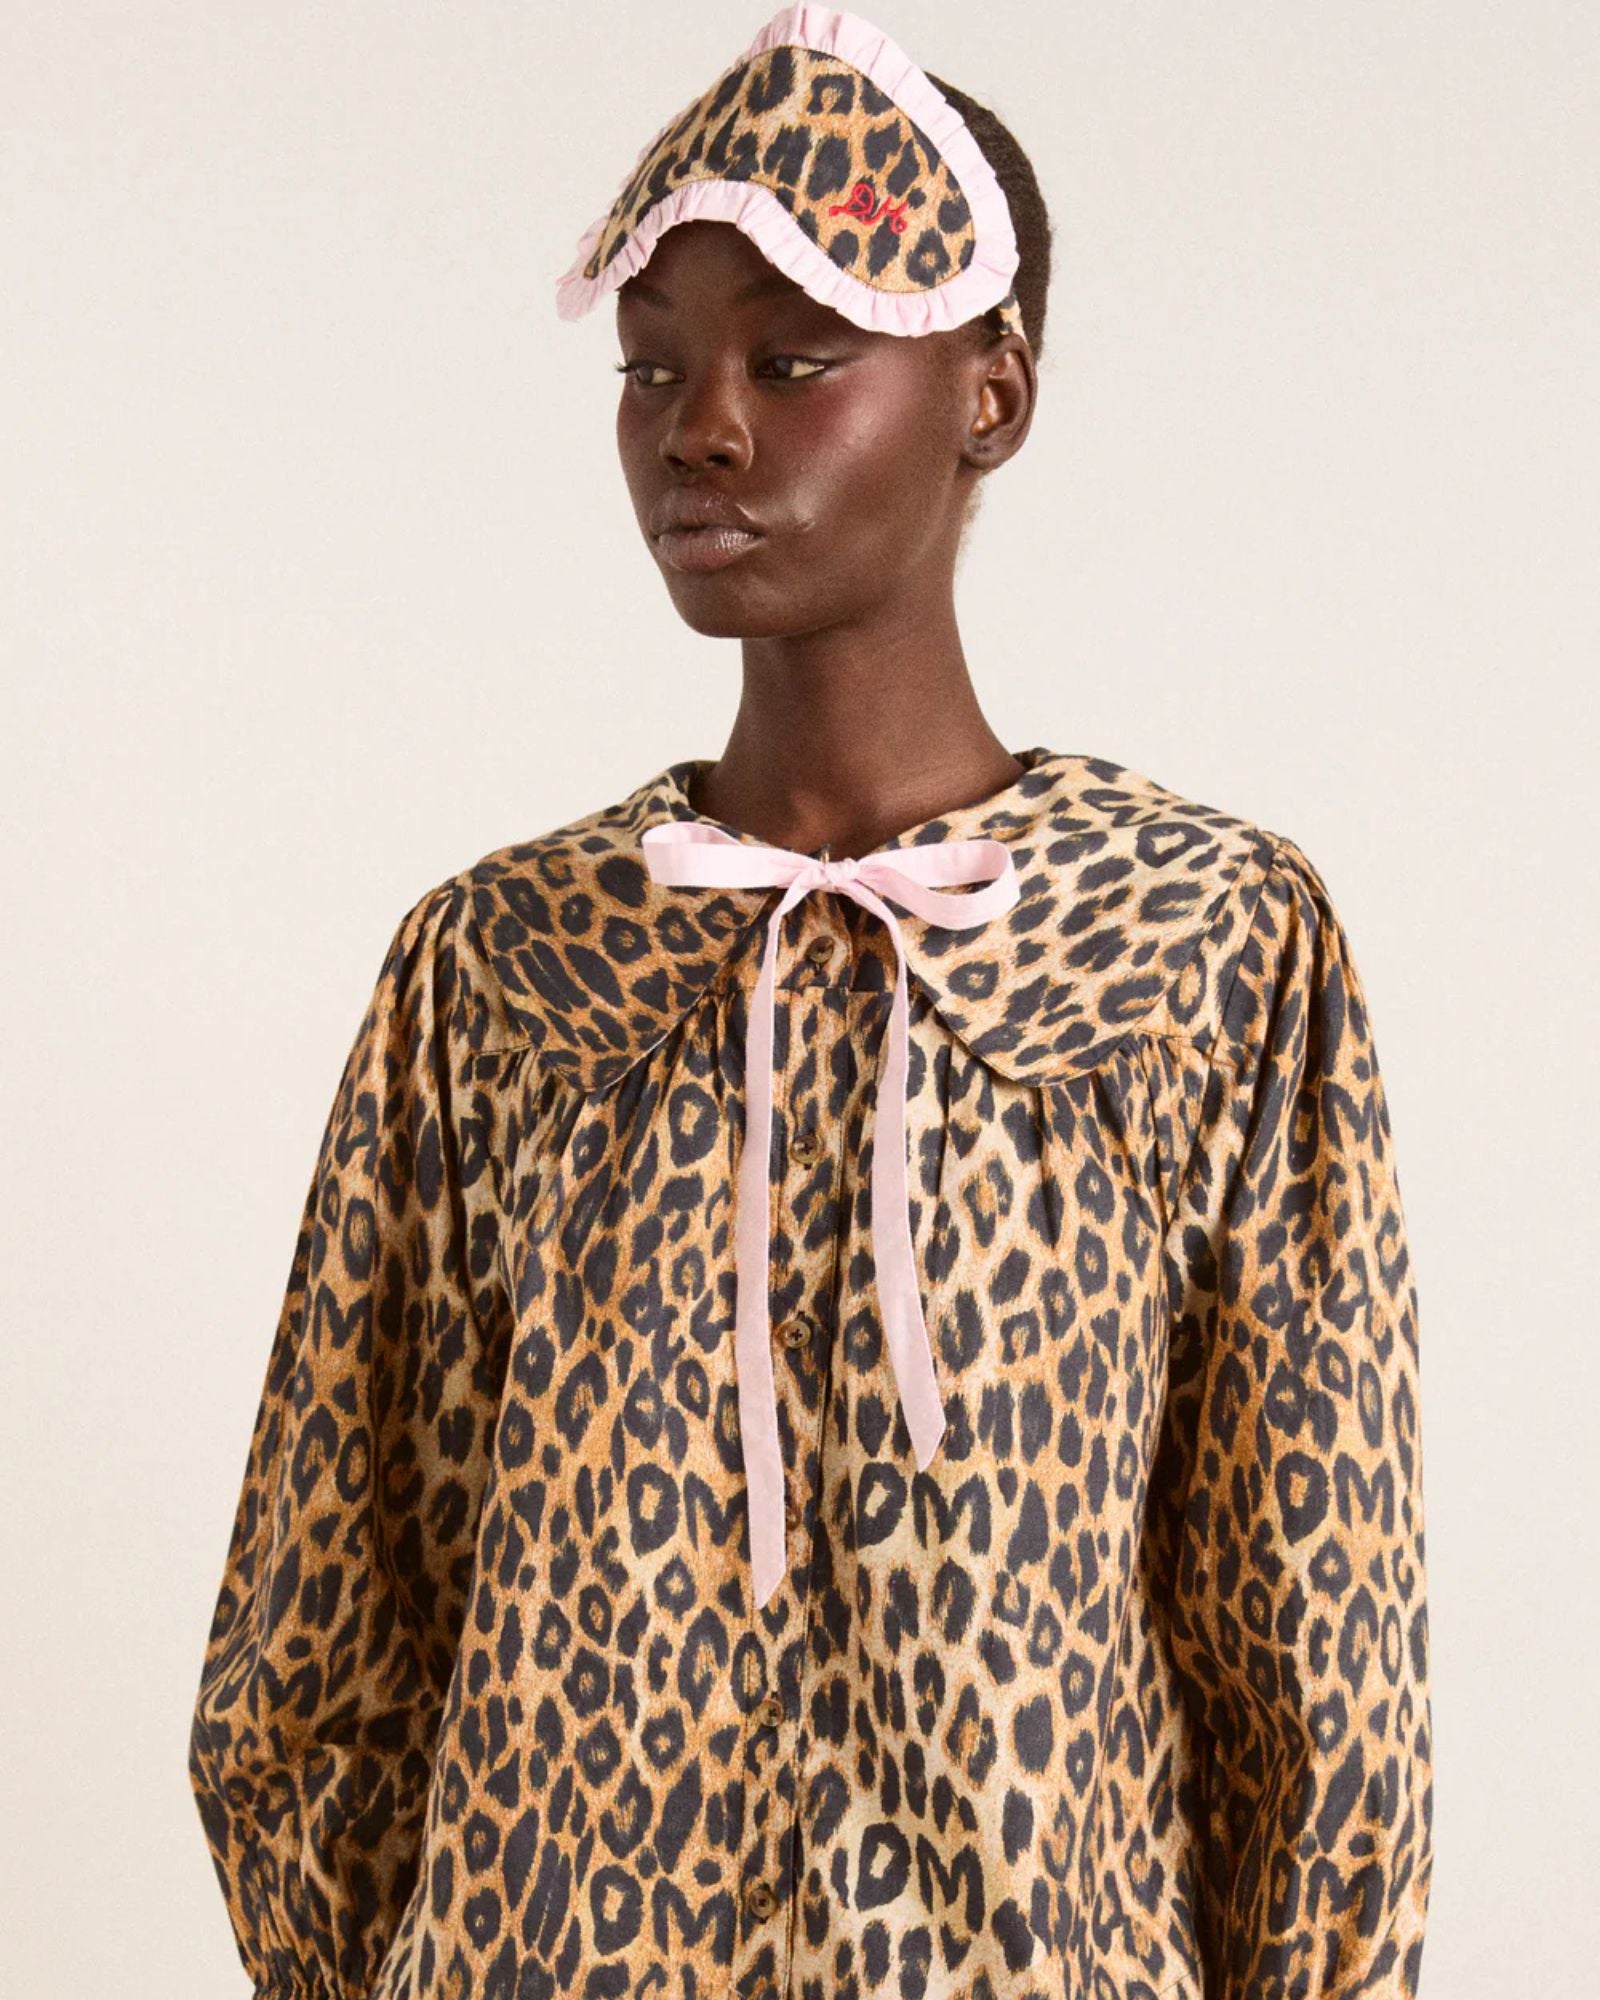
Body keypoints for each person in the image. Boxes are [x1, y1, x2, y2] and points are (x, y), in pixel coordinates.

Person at [188, 9, 1434, 1998]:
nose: (700, 428)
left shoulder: (1205, 948)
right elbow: (309, 1666)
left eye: (791, 360)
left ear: (989, 393)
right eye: (650, 366)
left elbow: (1316, 1691)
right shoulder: (504, 967)